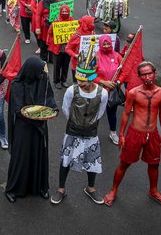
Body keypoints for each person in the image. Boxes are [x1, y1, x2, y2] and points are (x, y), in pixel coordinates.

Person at [104, 61, 161, 207]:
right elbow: (126, 114)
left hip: (152, 134)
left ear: (155, 73)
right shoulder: (133, 93)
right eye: (143, 74)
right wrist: (121, 134)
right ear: (139, 76)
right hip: (135, 133)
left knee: (154, 164)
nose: (147, 77)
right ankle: (113, 190)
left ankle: (153, 190)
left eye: (150, 73)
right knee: (124, 163)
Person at [51, 52, 108, 205]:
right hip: (73, 132)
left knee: (92, 162)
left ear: (91, 77)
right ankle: (61, 189)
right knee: (66, 160)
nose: (81, 83)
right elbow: (66, 109)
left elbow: (100, 113)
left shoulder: (103, 93)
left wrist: (88, 123)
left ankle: (90, 188)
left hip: (91, 133)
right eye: (79, 79)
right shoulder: (71, 91)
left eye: (84, 80)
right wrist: (76, 123)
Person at [4, 57, 57, 203]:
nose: (42, 74)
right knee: (21, 158)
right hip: (24, 127)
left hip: (39, 127)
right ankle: (13, 189)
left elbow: (49, 98)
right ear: (31, 71)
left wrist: (54, 109)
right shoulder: (17, 84)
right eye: (39, 71)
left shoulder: (42, 79)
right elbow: (18, 109)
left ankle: (40, 187)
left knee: (39, 155)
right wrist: (35, 116)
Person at [94, 34, 123, 145]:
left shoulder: (117, 56)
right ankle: (92, 133)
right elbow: (90, 76)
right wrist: (102, 82)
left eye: (108, 43)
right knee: (96, 113)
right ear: (100, 44)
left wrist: (118, 82)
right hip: (98, 91)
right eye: (104, 43)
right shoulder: (95, 57)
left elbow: (124, 71)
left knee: (112, 113)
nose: (106, 45)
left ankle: (113, 132)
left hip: (112, 92)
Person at [46, 4, 74, 89]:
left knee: (66, 65)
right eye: (63, 11)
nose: (64, 13)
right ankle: (56, 81)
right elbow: (50, 33)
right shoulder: (56, 22)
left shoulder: (72, 21)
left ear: (69, 12)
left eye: (66, 11)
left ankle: (63, 80)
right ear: (60, 12)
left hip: (68, 49)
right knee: (57, 66)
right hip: (58, 48)